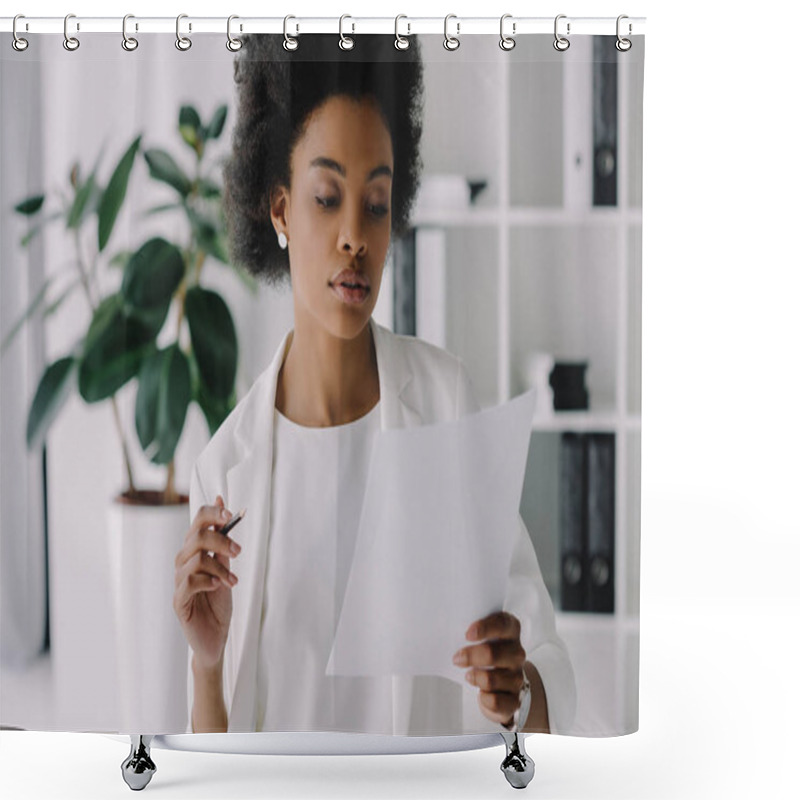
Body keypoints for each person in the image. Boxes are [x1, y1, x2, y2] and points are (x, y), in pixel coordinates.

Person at [172, 33, 576, 736]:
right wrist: (206, 665)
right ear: (278, 210)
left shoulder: (446, 403)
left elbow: (543, 674)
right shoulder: (225, 469)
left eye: (378, 204)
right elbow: (216, 768)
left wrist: (519, 687)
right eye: (327, 198)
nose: (355, 235)